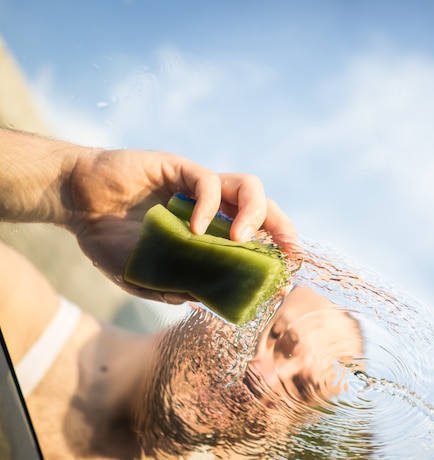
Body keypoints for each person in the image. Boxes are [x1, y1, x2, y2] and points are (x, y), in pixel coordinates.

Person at [0, 127, 364, 459]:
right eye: (272, 334)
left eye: (300, 390)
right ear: (210, 300)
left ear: (287, 432)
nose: (263, 380)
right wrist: (73, 188)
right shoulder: (15, 313)